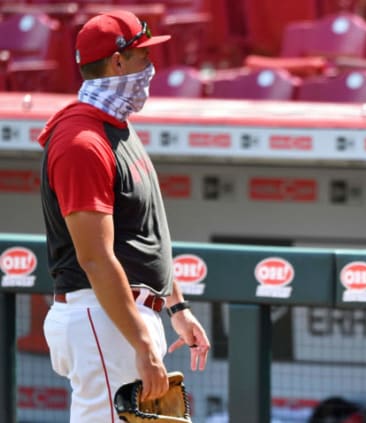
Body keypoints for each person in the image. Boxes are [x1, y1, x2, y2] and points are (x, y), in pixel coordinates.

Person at [38, 10, 211, 422]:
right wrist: (141, 343)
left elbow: (144, 234)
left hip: (121, 316)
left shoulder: (115, 127)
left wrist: (176, 306)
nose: (151, 67)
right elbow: (95, 257)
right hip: (102, 317)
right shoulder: (81, 140)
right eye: (142, 56)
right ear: (118, 62)